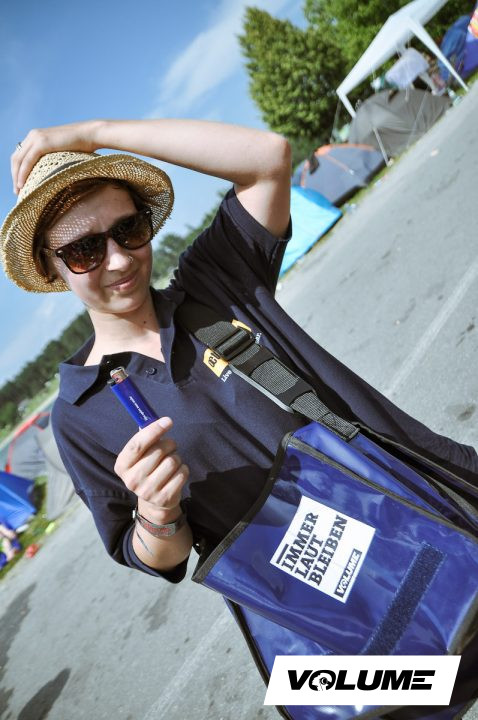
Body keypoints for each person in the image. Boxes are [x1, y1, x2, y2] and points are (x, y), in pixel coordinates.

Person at [2, 119, 478, 585]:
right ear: (49, 265)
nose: (120, 259)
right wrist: (157, 513)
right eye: (85, 251)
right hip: (344, 602)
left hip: (436, 499)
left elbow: (267, 158)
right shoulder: (79, 412)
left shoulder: (216, 282)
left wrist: (95, 134)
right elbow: (158, 557)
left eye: (128, 229)